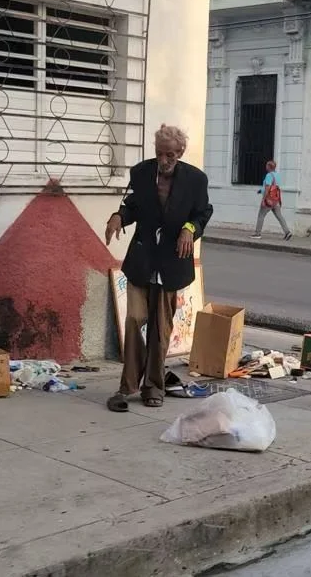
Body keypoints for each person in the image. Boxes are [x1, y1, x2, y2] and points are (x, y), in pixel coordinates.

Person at [104, 124, 212, 411]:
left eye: (170, 156)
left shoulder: (195, 179)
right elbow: (133, 206)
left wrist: (190, 229)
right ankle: (127, 386)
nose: (163, 161)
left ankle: (153, 387)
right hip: (143, 259)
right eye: (159, 154)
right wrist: (119, 216)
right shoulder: (140, 172)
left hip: (172, 261)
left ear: (180, 153)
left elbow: (203, 212)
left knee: (160, 330)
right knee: (134, 319)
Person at [252, 160, 292, 241]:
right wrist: (261, 190)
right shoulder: (277, 175)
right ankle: (287, 232)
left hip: (269, 200)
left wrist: (264, 199)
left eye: (266, 165)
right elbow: (274, 187)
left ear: (269, 167)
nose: (265, 167)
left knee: (261, 215)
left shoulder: (269, 175)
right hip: (275, 200)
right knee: (279, 216)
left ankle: (257, 234)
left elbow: (268, 187)